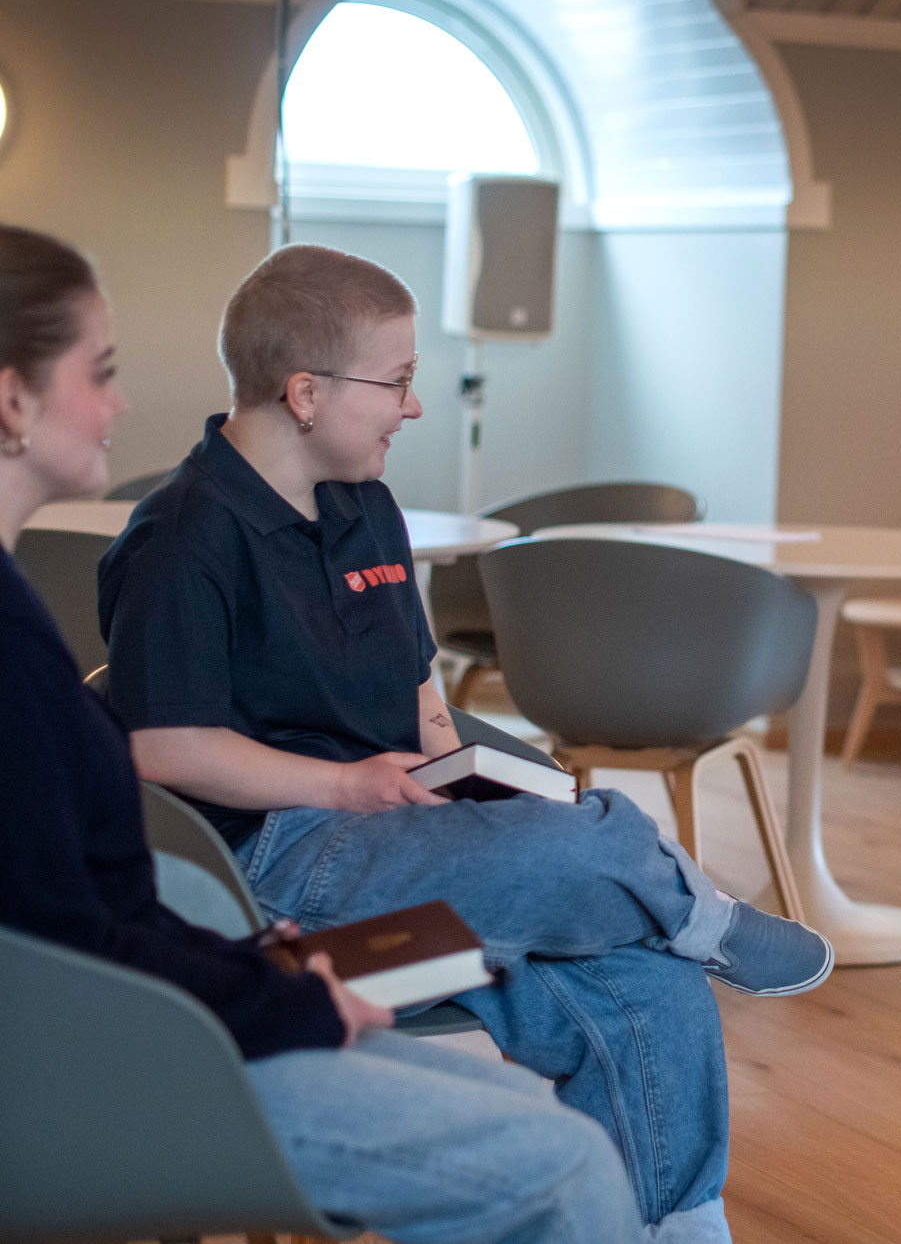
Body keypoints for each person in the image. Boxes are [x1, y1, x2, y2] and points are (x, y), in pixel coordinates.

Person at [95, 242, 833, 1244]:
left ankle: (677, 1226)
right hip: (270, 865)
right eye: (396, 381)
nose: (412, 407)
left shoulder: (365, 505)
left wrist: (466, 781)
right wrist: (344, 785)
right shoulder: (183, 536)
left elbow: (417, 692)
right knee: (591, 848)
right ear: (305, 392)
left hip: (396, 831)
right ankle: (702, 913)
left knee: (643, 970)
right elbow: (165, 749)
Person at [0, 222, 659, 1243]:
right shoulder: (143, 562)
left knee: (601, 1009)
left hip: (166, 996)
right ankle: (684, 900)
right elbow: (63, 945)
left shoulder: (18, 622)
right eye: (103, 371)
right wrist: (288, 997)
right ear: (13, 400)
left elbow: (95, 905)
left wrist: (273, 968)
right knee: (564, 1155)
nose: (121, 402)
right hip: (101, 1063)